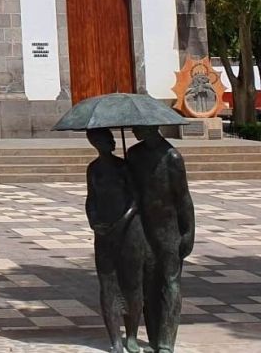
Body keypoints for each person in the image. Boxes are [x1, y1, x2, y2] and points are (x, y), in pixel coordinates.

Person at [126, 124, 195, 353]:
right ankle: (155, 337)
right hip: (142, 226)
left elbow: (183, 197)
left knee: (170, 282)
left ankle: (166, 343)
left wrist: (189, 231)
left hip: (169, 228)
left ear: (152, 128)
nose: (135, 132)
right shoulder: (134, 154)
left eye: (139, 128)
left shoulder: (172, 156)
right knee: (148, 283)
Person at [85, 128, 147, 353]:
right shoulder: (93, 169)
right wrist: (93, 221)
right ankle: (115, 339)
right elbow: (90, 198)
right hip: (104, 231)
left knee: (133, 284)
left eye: (112, 138)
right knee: (108, 285)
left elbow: (135, 200)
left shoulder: (124, 167)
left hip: (130, 230)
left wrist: (122, 222)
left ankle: (131, 335)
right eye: (105, 139)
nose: (111, 142)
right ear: (95, 143)